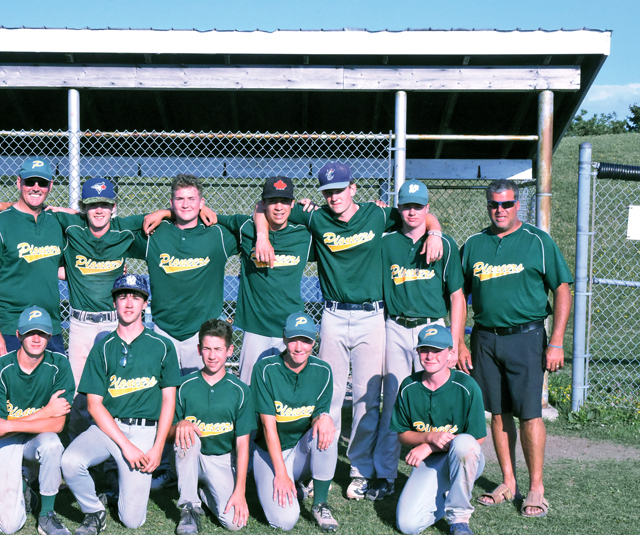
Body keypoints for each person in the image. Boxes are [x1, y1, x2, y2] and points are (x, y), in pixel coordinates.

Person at [254, 162, 443, 500]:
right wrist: (263, 234)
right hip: (333, 315)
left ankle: (359, 470)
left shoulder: (375, 214)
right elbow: (264, 208)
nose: (334, 197)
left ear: (353, 188)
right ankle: (318, 468)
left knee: (367, 399)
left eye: (339, 190)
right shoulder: (316, 217)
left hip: (372, 316)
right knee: (327, 394)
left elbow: (418, 215)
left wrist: (437, 231)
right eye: (328, 192)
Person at [0, 176, 146, 438]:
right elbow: (44, 209)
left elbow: (154, 220)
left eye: (105, 204)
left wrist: (166, 210)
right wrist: (6, 204)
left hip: (114, 322)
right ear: (83, 208)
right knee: (80, 393)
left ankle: (112, 457)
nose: (99, 210)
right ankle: (77, 451)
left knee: (117, 389)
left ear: (114, 206)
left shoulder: (123, 229)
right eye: (93, 205)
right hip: (81, 323)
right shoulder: (72, 228)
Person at [458, 178, 573, 518]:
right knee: (496, 412)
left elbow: (562, 290)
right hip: (485, 337)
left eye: (507, 204)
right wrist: (460, 343)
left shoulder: (537, 241)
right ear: (488, 205)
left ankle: (535, 486)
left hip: (526, 337)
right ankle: (508, 481)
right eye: (494, 204)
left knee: (530, 413)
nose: (500, 210)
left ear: (517, 205)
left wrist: (556, 341)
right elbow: (459, 296)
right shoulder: (475, 244)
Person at [134, 173, 238, 490]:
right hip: (164, 331)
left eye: (192, 199)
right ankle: (164, 465)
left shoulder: (217, 235)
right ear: (171, 203)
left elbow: (247, 222)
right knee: (162, 401)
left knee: (198, 403)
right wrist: (161, 215)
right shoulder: (155, 234)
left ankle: (203, 465)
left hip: (200, 336)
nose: (186, 204)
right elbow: (113, 221)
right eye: (179, 200)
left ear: (202, 202)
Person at [61, 274, 180, 532]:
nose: (129, 302)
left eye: (136, 296)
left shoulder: (163, 346)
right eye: (122, 296)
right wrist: (125, 447)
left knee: (132, 521)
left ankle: (116, 496)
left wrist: (158, 448)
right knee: (70, 461)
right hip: (109, 430)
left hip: (145, 432)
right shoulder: (103, 348)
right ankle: (94, 511)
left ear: (145, 303)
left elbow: (169, 400)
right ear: (114, 303)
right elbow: (94, 405)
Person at [375, 179, 466, 501]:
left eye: (418, 206)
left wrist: (453, 343)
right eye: (406, 205)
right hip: (396, 327)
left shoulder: (444, 244)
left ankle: (442, 468)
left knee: (441, 402)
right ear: (398, 208)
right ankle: (385, 473)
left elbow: (457, 296)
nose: (412, 211)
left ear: (428, 208)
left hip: (433, 328)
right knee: (395, 402)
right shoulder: (386, 243)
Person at [0, 305, 74, 535]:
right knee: (10, 527)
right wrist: (46, 411)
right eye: (30, 332)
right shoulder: (1, 367)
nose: (36, 338)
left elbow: (57, 425)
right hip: (3, 440)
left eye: (41, 333)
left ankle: (47, 515)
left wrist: (10, 424)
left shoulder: (59, 365)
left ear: (49, 336)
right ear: (19, 335)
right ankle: (22, 483)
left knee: (52, 444)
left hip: (33, 436)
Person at [216, 176, 312, 384]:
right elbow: (213, 218)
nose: (279, 207)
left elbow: (337, 217)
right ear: (262, 204)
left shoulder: (305, 234)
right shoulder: (247, 229)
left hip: (290, 326)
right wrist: (261, 235)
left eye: (285, 201)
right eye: (273, 201)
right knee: (249, 387)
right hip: (255, 326)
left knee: (285, 389)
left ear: (293, 204)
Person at [391, 325, 486, 535]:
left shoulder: (467, 386)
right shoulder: (409, 386)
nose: (430, 356)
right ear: (417, 352)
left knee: (463, 444)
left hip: (463, 458)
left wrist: (430, 447)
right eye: (425, 350)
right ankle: (443, 497)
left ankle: (459, 519)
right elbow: (402, 435)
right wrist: (430, 438)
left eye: (437, 351)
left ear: (451, 353)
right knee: (408, 526)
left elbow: (476, 439)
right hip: (430, 464)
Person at [0, 157, 65, 361]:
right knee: (8, 392)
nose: (36, 187)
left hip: (50, 328)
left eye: (42, 182)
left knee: (54, 391)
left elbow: (61, 269)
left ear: (50, 185)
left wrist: (110, 269)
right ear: (19, 182)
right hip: (10, 329)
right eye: (30, 182)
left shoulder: (57, 222)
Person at [251, 312, 338, 532]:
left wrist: (324, 417)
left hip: (299, 450)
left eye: (306, 340)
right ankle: (290, 482)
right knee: (285, 521)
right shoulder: (265, 369)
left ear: (314, 341)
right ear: (284, 338)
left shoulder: (323, 370)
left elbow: (319, 414)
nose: (299, 347)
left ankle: (319, 503)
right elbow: (268, 428)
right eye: (293, 339)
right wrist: (280, 474)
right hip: (269, 453)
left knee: (326, 429)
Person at [170, 319, 255, 534]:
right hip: (189, 457)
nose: (212, 355)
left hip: (222, 459)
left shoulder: (241, 391)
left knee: (234, 524)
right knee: (188, 433)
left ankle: (203, 493)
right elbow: (168, 433)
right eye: (206, 348)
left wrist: (240, 491)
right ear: (199, 350)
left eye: (218, 349)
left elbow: (243, 444)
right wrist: (179, 424)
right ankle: (189, 507)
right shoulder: (184, 385)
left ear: (229, 350)